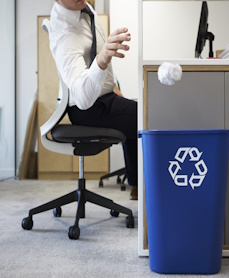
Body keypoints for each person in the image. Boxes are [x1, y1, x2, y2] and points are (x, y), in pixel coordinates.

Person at [49, 0, 138, 200]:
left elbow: (94, 53)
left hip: (104, 96)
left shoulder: (85, 9)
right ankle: (154, 187)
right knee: (144, 118)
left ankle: (136, 184)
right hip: (87, 108)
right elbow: (83, 99)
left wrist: (113, 86)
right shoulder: (65, 34)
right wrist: (103, 58)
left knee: (138, 112)